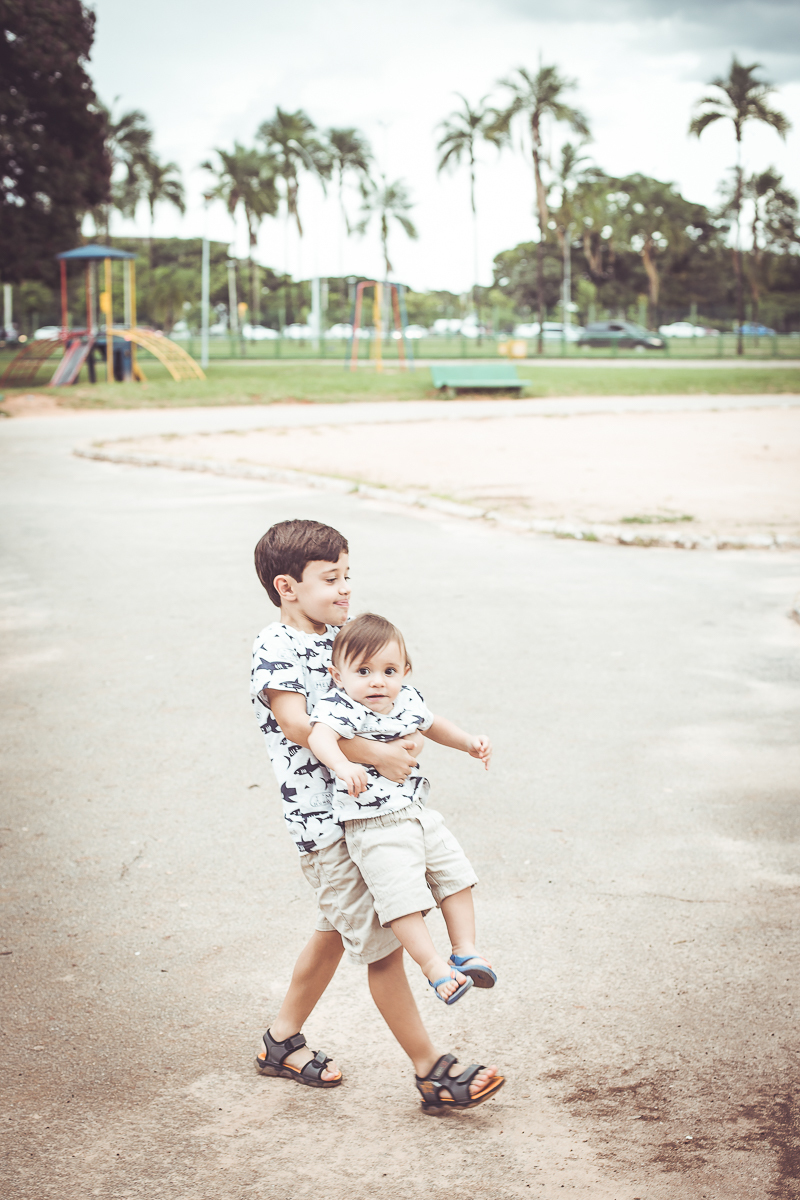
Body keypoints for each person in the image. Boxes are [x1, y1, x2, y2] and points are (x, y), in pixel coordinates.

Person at [250, 518, 504, 1110]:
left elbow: (397, 706)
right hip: (326, 822)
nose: (344, 590)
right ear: (288, 588)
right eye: (330, 579)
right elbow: (296, 725)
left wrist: (421, 741)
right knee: (384, 942)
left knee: (338, 932)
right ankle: (433, 1071)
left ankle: (280, 1042)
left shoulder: (344, 638)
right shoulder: (277, 644)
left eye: (348, 577)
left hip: (374, 816)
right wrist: (380, 756)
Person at [308, 612, 495, 1005]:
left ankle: (465, 950)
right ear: (338, 675)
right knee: (402, 897)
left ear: (405, 672)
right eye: (363, 670)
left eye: (389, 670)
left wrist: (467, 742)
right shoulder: (338, 706)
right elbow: (319, 737)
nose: (377, 680)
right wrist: (342, 764)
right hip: (372, 824)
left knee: (455, 874)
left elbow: (432, 724)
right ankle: (433, 967)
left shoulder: (407, 699)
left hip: (417, 813)